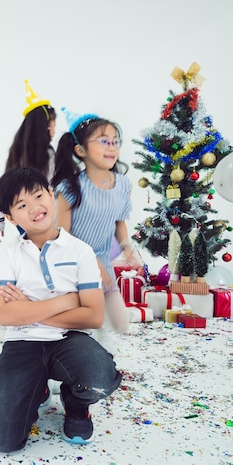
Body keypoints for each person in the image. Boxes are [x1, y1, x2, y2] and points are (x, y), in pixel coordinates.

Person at [0, 168, 122, 452]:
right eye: (22, 205)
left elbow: (93, 316)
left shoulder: (81, 251)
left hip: (70, 340)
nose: (35, 207)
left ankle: (76, 405)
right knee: (1, 441)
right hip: (23, 343)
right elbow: (7, 316)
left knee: (100, 377)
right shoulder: (10, 254)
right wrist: (67, 301)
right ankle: (37, 387)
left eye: (38, 195)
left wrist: (30, 309)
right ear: (10, 218)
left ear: (51, 195)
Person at [51, 109, 134, 340]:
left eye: (115, 142)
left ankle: (101, 352)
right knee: (86, 324)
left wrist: (127, 247)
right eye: (104, 141)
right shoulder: (70, 188)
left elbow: (119, 221)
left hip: (102, 260)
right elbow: (62, 236)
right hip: (72, 261)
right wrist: (92, 264)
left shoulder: (123, 184)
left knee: (120, 322)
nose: (112, 147)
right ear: (80, 150)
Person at [0, 80, 56, 242]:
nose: (54, 130)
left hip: (23, 216)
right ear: (46, 127)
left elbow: (7, 190)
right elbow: (52, 186)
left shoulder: (16, 152)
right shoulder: (48, 155)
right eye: (53, 125)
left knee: (32, 252)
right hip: (44, 215)